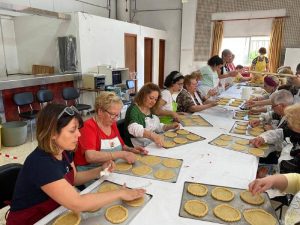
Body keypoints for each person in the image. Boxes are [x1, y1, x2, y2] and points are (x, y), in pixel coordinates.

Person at [6, 104, 145, 225]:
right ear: (52, 133)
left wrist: (100, 170)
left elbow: (73, 178)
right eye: (72, 130)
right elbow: (77, 203)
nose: (79, 134)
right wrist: (120, 193)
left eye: (78, 129)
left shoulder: (64, 150)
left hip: (55, 213)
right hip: (34, 221)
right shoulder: (41, 163)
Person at [74, 92, 147, 186]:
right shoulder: (88, 127)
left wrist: (131, 149)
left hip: (110, 170)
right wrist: (121, 154)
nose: (116, 119)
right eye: (113, 114)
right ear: (100, 111)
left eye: (117, 115)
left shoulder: (111, 124)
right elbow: (90, 157)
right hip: (93, 175)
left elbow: (121, 146)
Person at [124, 83, 179, 147]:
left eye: (155, 99)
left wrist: (169, 126)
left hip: (149, 144)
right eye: (151, 98)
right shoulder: (133, 109)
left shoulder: (151, 109)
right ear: (143, 95)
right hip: (136, 147)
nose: (153, 102)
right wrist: (152, 135)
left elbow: (157, 127)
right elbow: (133, 128)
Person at [250, 104, 300, 173]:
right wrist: (263, 138)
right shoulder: (294, 131)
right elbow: (280, 133)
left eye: (290, 124)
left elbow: (291, 174)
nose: (288, 125)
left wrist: (270, 176)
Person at [249, 90, 294, 164]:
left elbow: (285, 145)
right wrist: (260, 120)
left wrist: (272, 130)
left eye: (273, 106)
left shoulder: (293, 121)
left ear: (281, 106)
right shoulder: (284, 111)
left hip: (282, 159)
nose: (272, 108)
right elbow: (272, 115)